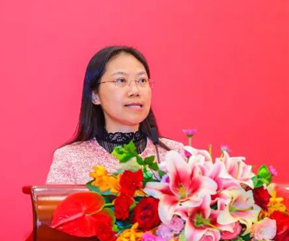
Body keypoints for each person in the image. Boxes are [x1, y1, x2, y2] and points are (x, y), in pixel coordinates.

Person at [46, 46, 186, 184]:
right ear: (95, 95)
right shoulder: (70, 159)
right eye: (121, 80)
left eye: (142, 80)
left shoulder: (174, 154)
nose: (135, 91)